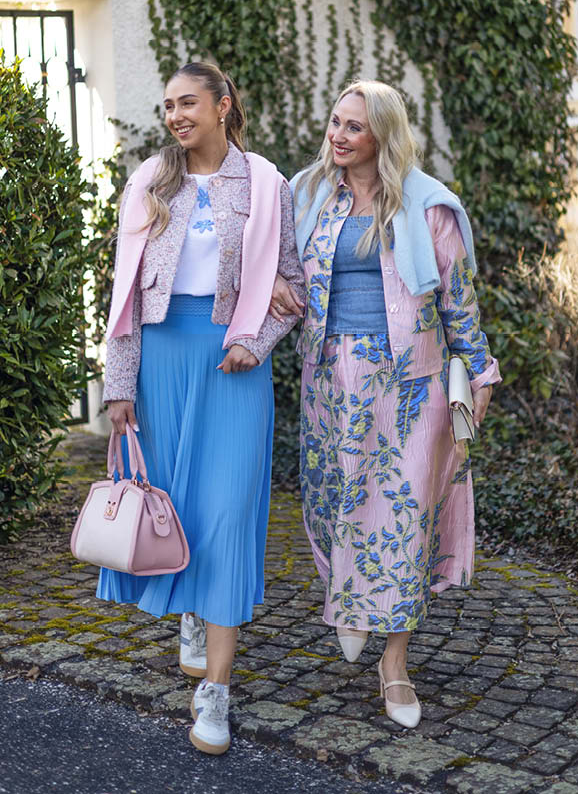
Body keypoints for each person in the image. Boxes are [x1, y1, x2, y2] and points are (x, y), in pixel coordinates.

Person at [270, 79, 501, 729]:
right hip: (329, 376)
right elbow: (279, 270)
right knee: (336, 503)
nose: (338, 136)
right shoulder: (307, 194)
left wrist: (478, 375)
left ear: (383, 135)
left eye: (354, 126)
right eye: (335, 122)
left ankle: (394, 663)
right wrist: (277, 290)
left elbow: (458, 300)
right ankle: (351, 603)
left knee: (404, 522)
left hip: (411, 386)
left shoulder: (429, 207)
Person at [99, 61, 304, 754]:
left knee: (226, 515)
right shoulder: (149, 181)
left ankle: (215, 691)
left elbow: (294, 288)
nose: (176, 116)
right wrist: (119, 387)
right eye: (168, 106)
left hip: (233, 367)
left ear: (223, 105)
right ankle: (191, 609)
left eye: (188, 102)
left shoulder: (269, 185)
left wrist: (255, 341)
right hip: (161, 361)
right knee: (178, 508)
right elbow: (125, 294)